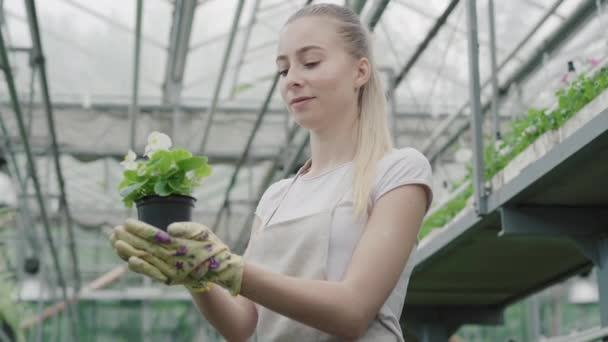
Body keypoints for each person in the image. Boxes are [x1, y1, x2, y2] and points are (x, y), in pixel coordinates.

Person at [110, 4, 433, 341]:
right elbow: (243, 324)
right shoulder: (277, 197)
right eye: (282, 70)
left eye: (311, 62)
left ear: (360, 71)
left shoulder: (398, 171)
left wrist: (228, 268)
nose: (293, 79)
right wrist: (198, 276)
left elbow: (352, 310)